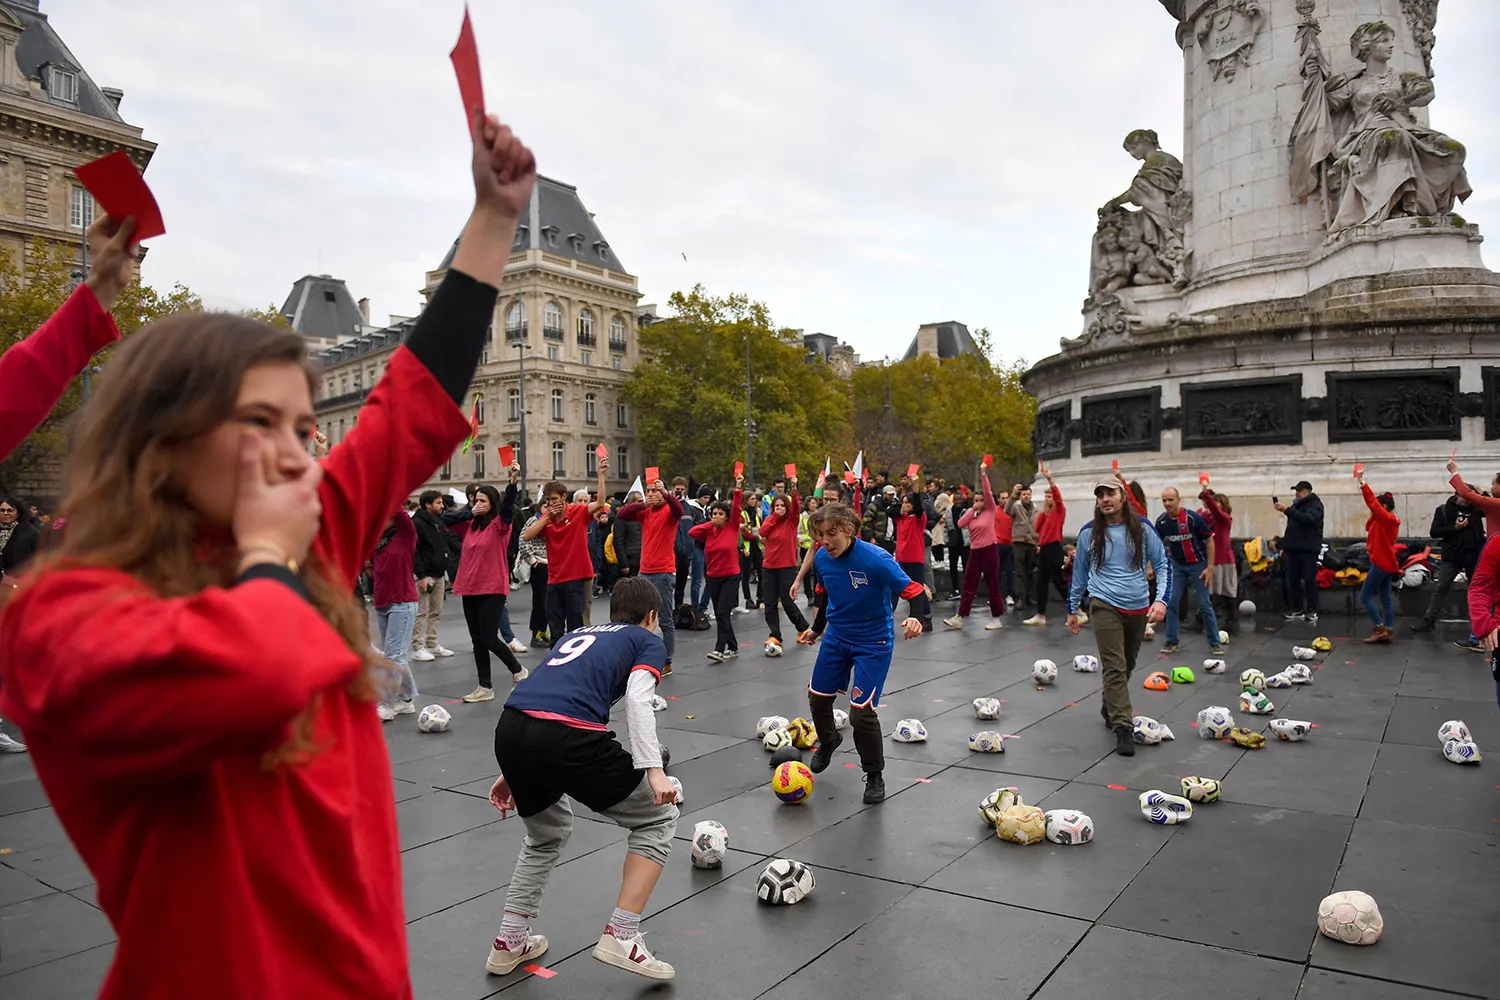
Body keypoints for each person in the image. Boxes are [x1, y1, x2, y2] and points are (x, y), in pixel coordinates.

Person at [0, 113, 535, 997]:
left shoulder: (300, 535)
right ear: (160, 444)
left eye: (302, 427)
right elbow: (243, 678)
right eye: (259, 424)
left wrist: (493, 219)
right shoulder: (60, 612)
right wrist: (264, 562)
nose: (298, 454)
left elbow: (410, 402)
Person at [484, 577, 679, 981]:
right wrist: (655, 772)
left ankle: (509, 941)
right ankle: (622, 935)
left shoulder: (579, 633)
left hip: (512, 728)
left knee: (545, 835)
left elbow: (546, 692)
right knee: (658, 819)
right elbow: (640, 703)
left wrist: (513, 768)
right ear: (651, 617)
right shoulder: (647, 641)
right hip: (567, 735)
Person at [796, 503, 925, 804]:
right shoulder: (823, 559)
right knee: (818, 697)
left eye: (831, 534)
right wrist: (816, 629)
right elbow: (828, 597)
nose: (825, 541)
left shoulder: (876, 559)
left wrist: (916, 616)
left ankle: (875, 775)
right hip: (837, 637)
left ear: (849, 531)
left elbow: (915, 591)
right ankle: (828, 740)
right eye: (820, 535)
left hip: (873, 642)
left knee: (861, 714)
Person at [1068, 479, 1171, 757]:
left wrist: (1161, 600)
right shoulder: (1089, 533)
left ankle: (1109, 703)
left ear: (1123, 497)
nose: (1105, 499)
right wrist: (1072, 608)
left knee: (1126, 666)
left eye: (1110, 493)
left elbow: (1162, 564)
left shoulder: (1143, 529)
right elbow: (1079, 573)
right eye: (1100, 495)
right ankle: (1123, 726)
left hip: (1137, 607)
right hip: (1103, 604)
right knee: (1114, 666)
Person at [456, 475, 528, 701]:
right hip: (469, 587)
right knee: (477, 640)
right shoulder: (470, 525)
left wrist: (512, 485)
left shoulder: (500, 525)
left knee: (489, 638)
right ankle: (485, 687)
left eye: (483, 501)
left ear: (492, 505)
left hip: (492, 587)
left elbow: (507, 507)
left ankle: (519, 671)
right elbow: (446, 519)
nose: (478, 504)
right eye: (475, 500)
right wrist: (470, 512)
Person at [521, 462, 608, 644]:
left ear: (563, 497)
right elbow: (527, 536)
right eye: (548, 500)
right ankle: (556, 664)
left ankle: (576, 665)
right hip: (554, 580)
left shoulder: (578, 512)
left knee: (575, 628)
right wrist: (547, 516)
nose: (551, 503)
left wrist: (600, 475)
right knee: (555, 628)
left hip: (575, 579)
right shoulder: (547, 520)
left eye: (554, 499)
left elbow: (600, 503)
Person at [614, 474, 684, 676]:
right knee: (638, 617)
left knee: (665, 619)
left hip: (663, 572)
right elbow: (622, 514)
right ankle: (641, 656)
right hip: (645, 571)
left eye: (655, 490)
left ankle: (667, 661)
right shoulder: (645, 512)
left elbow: (679, 509)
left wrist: (666, 493)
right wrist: (644, 503)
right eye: (649, 490)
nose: (652, 494)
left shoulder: (670, 511)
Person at [1412, 487, 1485, 646]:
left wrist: (1480, 492)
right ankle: (1429, 620)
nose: (1467, 500)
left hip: (1473, 555)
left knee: (1477, 592)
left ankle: (1479, 626)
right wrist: (1455, 528)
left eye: (1470, 496)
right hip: (1452, 556)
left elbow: (1490, 504)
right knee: (1441, 588)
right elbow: (1434, 532)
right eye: (1465, 496)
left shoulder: (1476, 509)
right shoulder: (1444, 510)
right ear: (1457, 495)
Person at [1154, 486, 1222, 655]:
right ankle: (1171, 641)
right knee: (1171, 603)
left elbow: (1210, 540)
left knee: (1204, 603)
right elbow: (1155, 545)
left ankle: (1215, 642)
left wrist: (1210, 567)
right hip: (1177, 566)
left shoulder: (1193, 518)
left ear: (1178, 500)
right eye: (1164, 500)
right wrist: (1150, 565)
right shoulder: (1162, 521)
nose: (1167, 503)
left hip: (1198, 564)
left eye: (1170, 500)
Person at [689, 473, 748, 661]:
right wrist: (709, 524)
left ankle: (720, 649)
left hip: (731, 576)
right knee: (723, 615)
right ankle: (733, 646)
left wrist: (738, 487)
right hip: (713, 577)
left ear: (727, 517)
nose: (716, 516)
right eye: (714, 514)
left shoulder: (731, 527)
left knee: (722, 613)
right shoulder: (708, 531)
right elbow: (692, 531)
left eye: (720, 514)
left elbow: (737, 507)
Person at [371, 510, 420, 720]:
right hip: (382, 602)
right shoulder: (377, 541)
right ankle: (406, 699)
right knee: (395, 655)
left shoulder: (406, 535)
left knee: (393, 657)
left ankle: (386, 704)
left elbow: (399, 510)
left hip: (403, 602)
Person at [945, 468, 1005, 631]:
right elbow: (960, 524)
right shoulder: (972, 515)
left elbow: (988, 491)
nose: (977, 502)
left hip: (990, 550)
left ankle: (996, 617)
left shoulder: (991, 510)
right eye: (975, 500)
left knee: (992, 584)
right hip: (975, 552)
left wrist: (984, 474)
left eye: (980, 500)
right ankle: (960, 616)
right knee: (968, 584)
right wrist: (973, 509)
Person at [757, 477, 811, 654]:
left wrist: (795, 488)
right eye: (776, 506)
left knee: (787, 601)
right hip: (769, 567)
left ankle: (802, 627)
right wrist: (773, 516)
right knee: (770, 603)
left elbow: (796, 506)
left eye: (782, 506)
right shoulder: (770, 521)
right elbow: (763, 532)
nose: (779, 509)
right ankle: (775, 635)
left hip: (786, 566)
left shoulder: (792, 521)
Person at [410, 489, 457, 660]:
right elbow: (415, 551)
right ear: (427, 504)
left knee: (436, 610)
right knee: (422, 611)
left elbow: (445, 542)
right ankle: (417, 646)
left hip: (438, 572)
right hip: (426, 574)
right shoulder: (418, 523)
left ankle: (432, 643)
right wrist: (421, 575)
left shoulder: (437, 522)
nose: (442, 505)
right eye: (438, 502)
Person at [1356, 471, 1401, 644]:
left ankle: (1379, 627)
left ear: (1385, 506)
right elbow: (1371, 521)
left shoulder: (1386, 519)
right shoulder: (1384, 520)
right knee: (1386, 599)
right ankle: (1388, 630)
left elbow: (1372, 503)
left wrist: (1362, 483)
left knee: (1365, 596)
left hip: (1380, 563)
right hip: (1387, 563)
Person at [1275, 480, 1324, 623]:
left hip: (1308, 549)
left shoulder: (1315, 505)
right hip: (1293, 549)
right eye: (1296, 491)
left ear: (1307, 492)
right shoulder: (1296, 507)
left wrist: (1287, 510)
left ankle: (1312, 609)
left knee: (1309, 579)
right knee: (1293, 579)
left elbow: (1308, 519)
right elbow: (1291, 529)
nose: (1296, 493)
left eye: (1299, 491)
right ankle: (1297, 608)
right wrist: (1284, 545)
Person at [1024, 470, 1067, 626]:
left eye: (1050, 496)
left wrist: (1050, 480)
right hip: (1044, 548)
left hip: (1054, 548)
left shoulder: (1059, 511)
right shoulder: (1045, 513)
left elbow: (1058, 498)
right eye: (1046, 496)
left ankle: (1078, 610)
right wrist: (1043, 512)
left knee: (1059, 582)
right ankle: (1040, 614)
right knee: (1041, 582)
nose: (1048, 499)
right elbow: (1037, 528)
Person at [1197, 479, 1238, 635]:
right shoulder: (1209, 518)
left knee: (1228, 591)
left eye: (1218, 502)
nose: (1214, 504)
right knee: (1212, 592)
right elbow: (1201, 516)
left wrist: (1206, 493)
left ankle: (1231, 620)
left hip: (1225, 560)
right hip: (1213, 560)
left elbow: (1215, 511)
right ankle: (1203, 619)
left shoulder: (1224, 519)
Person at [893, 491, 934, 632]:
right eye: (903, 502)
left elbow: (918, 506)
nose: (904, 506)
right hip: (900, 558)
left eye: (907, 503)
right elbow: (889, 510)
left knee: (918, 589)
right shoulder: (901, 517)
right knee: (894, 588)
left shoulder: (919, 518)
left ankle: (926, 617)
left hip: (914, 558)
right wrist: (903, 490)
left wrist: (915, 488)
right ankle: (887, 615)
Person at [1446, 458, 1500, 536]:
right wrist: (1481, 494)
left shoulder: (1496, 503)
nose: (1491, 488)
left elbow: (1465, 493)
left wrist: (1454, 472)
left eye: (1493, 484)